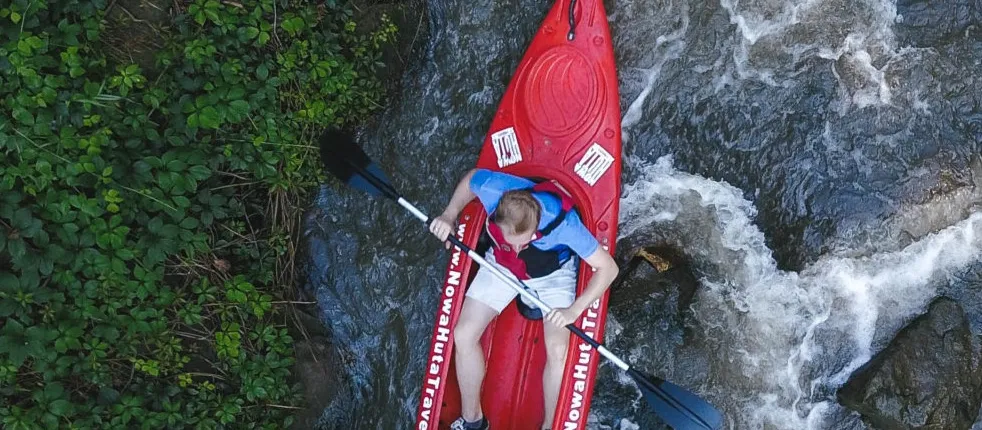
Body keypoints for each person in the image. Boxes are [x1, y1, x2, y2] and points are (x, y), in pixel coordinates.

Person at [429, 168, 619, 430]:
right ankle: (473, 421)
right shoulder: (493, 189)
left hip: (552, 275)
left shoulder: (564, 224)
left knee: (557, 350)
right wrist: (449, 215)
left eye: (524, 241)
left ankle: (550, 425)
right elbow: (471, 180)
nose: (519, 247)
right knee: (463, 335)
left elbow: (609, 269)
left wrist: (574, 311)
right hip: (503, 265)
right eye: (513, 240)